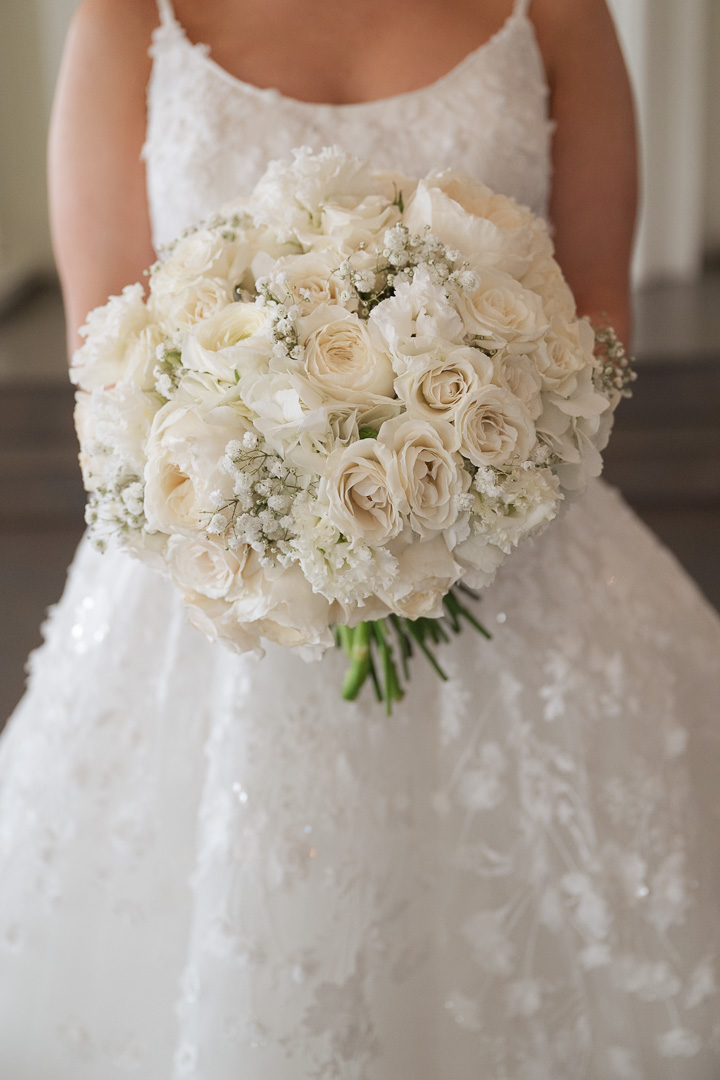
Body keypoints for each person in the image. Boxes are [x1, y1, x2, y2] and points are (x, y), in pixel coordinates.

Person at [1, 0, 719, 1076]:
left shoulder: (558, 11)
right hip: (216, 593)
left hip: (516, 569)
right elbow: (106, 363)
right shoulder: (127, 15)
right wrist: (289, 525)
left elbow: (598, 321)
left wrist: (451, 494)